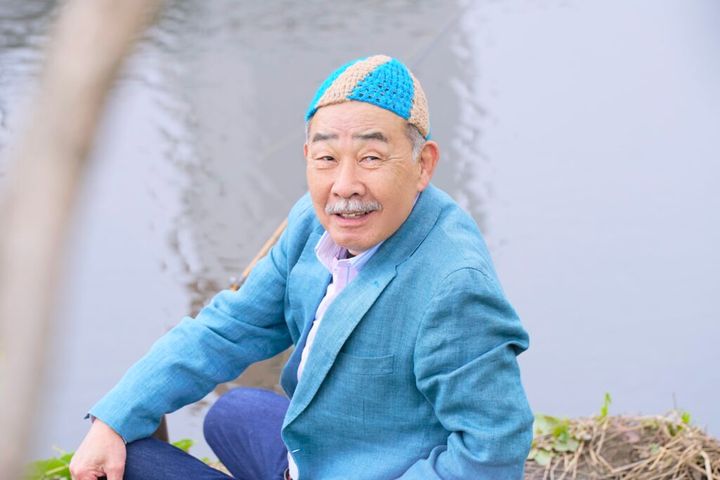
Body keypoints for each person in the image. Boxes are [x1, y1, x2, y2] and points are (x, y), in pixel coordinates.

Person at [70, 54, 534, 480]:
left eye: (371, 158)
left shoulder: (455, 285)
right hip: (323, 458)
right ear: (308, 157)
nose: (345, 186)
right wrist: (114, 416)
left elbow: (491, 452)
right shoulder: (311, 224)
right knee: (231, 412)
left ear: (422, 165)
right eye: (327, 158)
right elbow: (228, 328)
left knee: (135, 466)